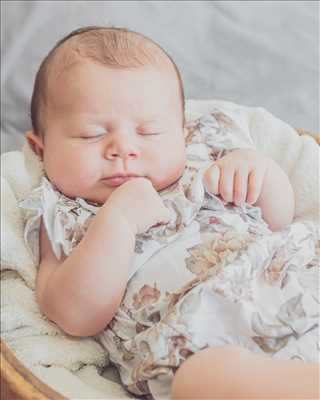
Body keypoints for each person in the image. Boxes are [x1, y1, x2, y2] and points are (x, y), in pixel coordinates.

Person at [21, 26, 318, 399]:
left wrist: (258, 172)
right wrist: (119, 221)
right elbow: (74, 315)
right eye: (91, 134)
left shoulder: (208, 156)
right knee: (201, 380)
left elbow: (279, 219)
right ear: (40, 148)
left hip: (292, 282)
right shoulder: (59, 211)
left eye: (148, 132)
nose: (124, 149)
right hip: (206, 342)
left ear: (183, 131)